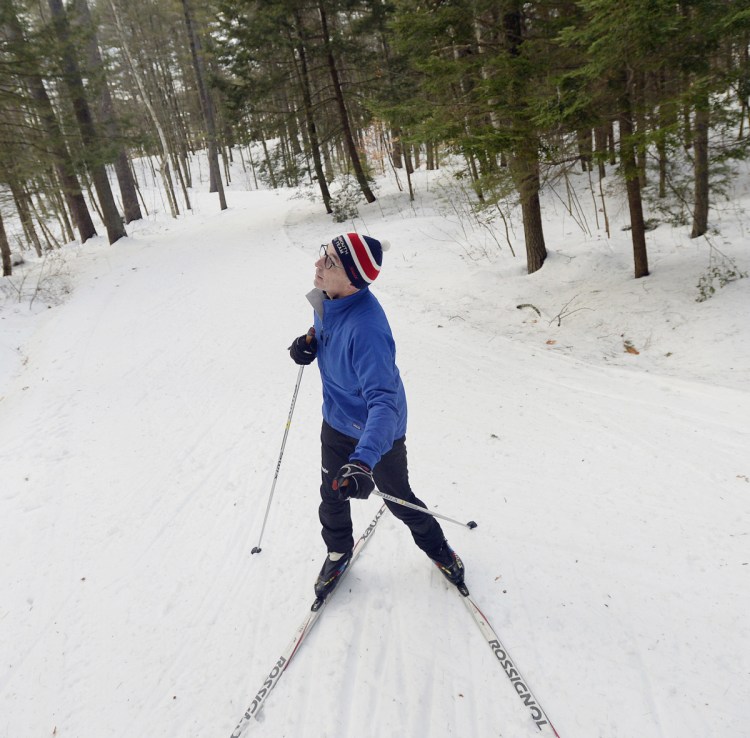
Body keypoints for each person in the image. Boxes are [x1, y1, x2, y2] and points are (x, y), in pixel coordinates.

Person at [288, 232, 465, 600]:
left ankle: (439, 549)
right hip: (335, 421)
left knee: (398, 498)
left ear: (353, 279)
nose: (318, 263)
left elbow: (385, 404)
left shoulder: (368, 330)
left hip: (377, 433)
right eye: (324, 253)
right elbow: (327, 331)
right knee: (331, 494)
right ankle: (338, 552)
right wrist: (308, 344)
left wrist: (364, 461)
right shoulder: (326, 298)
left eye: (330, 262)